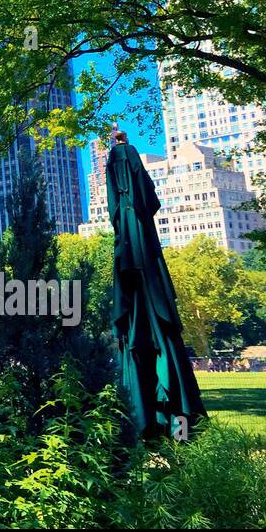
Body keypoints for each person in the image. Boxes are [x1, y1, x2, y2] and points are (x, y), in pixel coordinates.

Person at [106, 130, 205, 438]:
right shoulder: (138, 231)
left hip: (137, 265)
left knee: (145, 346)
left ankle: (155, 430)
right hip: (142, 267)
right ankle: (181, 433)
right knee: (164, 349)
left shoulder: (129, 226)